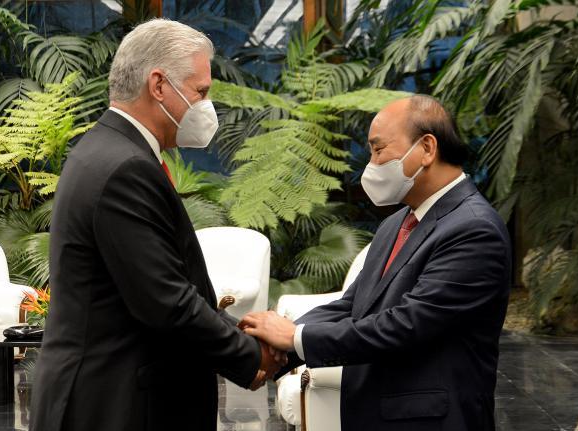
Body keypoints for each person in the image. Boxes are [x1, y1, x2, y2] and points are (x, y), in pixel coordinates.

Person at [29, 19, 283, 431]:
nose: (206, 106)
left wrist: (243, 331)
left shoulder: (107, 149)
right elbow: (165, 301)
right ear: (159, 85)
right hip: (116, 404)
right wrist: (251, 354)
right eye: (201, 91)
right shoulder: (125, 166)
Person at [241, 95, 512, 430]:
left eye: (379, 149)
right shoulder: (396, 223)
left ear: (427, 148)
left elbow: (405, 325)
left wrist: (297, 337)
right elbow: (354, 305)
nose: (370, 164)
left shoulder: (473, 229)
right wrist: (270, 347)